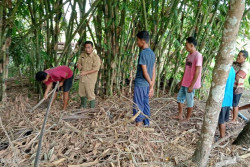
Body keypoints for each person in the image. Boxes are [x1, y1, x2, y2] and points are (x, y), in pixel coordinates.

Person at [173, 37, 203, 122]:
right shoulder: (189, 55)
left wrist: (192, 85)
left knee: (189, 101)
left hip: (191, 83)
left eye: (186, 45)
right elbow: (186, 69)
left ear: (191, 45)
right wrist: (182, 81)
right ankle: (180, 115)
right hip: (185, 82)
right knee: (179, 99)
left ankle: (187, 118)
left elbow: (197, 71)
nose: (185, 47)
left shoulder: (198, 55)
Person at [133, 31, 156, 127]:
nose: (137, 42)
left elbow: (145, 71)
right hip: (147, 84)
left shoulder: (143, 53)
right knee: (145, 103)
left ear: (142, 41)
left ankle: (138, 123)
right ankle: (147, 122)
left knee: (137, 103)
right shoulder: (152, 53)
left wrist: (150, 83)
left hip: (141, 83)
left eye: (137, 40)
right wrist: (152, 85)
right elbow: (154, 71)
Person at [77, 41, 101, 108]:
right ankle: (83, 107)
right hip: (82, 77)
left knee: (90, 93)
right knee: (81, 92)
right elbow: (78, 62)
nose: (87, 49)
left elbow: (96, 69)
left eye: (89, 47)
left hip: (90, 78)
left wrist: (85, 72)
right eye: (86, 47)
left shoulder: (96, 57)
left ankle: (92, 109)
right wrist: (78, 65)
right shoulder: (82, 55)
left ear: (92, 48)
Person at [231, 50, 249, 123]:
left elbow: (238, 77)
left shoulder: (245, 65)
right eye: (237, 55)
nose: (237, 57)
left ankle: (234, 119)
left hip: (238, 88)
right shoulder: (236, 64)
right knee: (231, 103)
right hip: (232, 86)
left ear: (244, 57)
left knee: (235, 104)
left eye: (239, 56)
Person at [218, 67, 235, 138]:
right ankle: (222, 136)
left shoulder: (224, 69)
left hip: (223, 98)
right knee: (223, 120)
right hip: (228, 98)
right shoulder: (232, 70)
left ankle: (222, 137)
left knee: (221, 120)